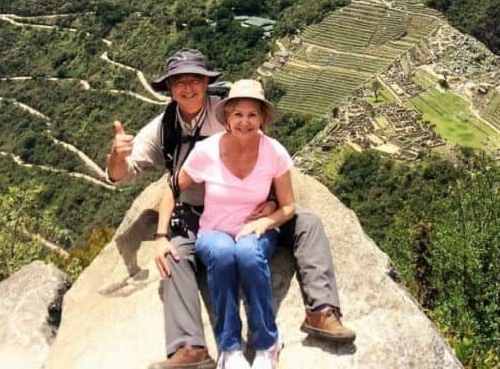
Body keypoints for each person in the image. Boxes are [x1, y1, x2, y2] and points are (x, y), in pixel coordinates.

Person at [107, 49, 355, 369]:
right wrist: (117, 156)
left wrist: (273, 201)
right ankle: (190, 347)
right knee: (173, 256)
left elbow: (262, 155)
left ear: (207, 82)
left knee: (307, 222)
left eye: (195, 79)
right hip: (198, 212)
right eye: (178, 81)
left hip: (253, 207)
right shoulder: (163, 128)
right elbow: (122, 175)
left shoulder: (231, 108)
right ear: (168, 88)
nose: (187, 87)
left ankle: (321, 311)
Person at [158, 79, 292, 369]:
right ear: (227, 117)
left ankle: (267, 342)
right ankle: (229, 347)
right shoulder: (207, 150)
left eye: (252, 114)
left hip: (256, 230)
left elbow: (289, 206)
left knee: (246, 253)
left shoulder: (275, 152)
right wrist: (160, 235)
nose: (245, 122)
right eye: (238, 114)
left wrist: (267, 221)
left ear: (263, 118)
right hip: (214, 231)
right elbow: (172, 187)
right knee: (220, 252)